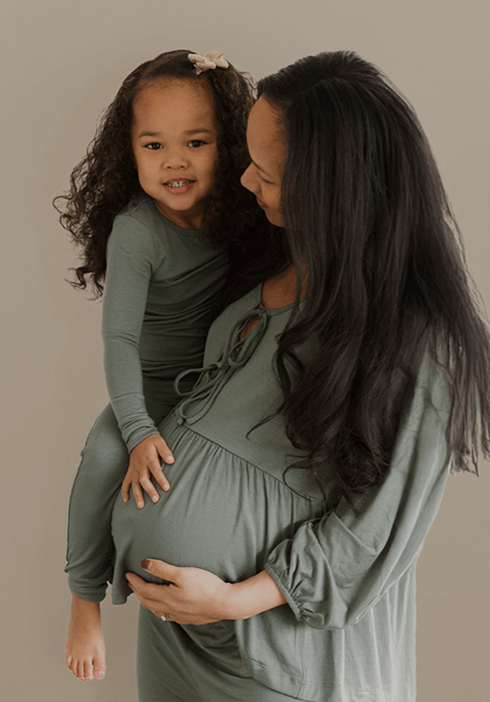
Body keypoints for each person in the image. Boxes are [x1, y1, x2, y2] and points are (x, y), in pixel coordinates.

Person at [114, 51, 490, 701]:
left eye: (266, 171)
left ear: (330, 189)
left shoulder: (424, 344)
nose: (244, 182)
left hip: (279, 653)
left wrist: (234, 600)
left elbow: (376, 529)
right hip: (182, 638)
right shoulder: (269, 267)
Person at [55, 49, 268, 683]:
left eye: (195, 142)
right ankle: (83, 599)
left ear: (227, 147)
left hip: (215, 386)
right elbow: (118, 340)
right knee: (99, 461)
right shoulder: (137, 231)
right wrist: (138, 429)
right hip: (144, 391)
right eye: (153, 145)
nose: (174, 161)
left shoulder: (242, 212)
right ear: (130, 153)